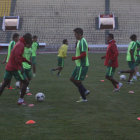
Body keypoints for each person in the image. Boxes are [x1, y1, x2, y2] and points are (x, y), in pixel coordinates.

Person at [0, 33, 32, 105]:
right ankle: (20, 100)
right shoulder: (21, 45)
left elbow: (19, 56)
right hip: (15, 67)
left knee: (4, 83)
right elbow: (17, 58)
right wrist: (21, 67)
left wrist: (27, 61)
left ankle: (20, 100)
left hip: (9, 66)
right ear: (27, 39)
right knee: (26, 82)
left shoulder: (20, 43)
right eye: (30, 39)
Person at [70, 28, 90, 102]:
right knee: (72, 79)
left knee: (77, 81)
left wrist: (75, 58)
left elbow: (84, 54)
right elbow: (87, 49)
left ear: (79, 34)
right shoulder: (80, 41)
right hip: (79, 65)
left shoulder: (82, 41)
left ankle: (84, 97)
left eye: (75, 34)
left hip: (82, 65)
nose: (74, 35)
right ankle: (85, 91)